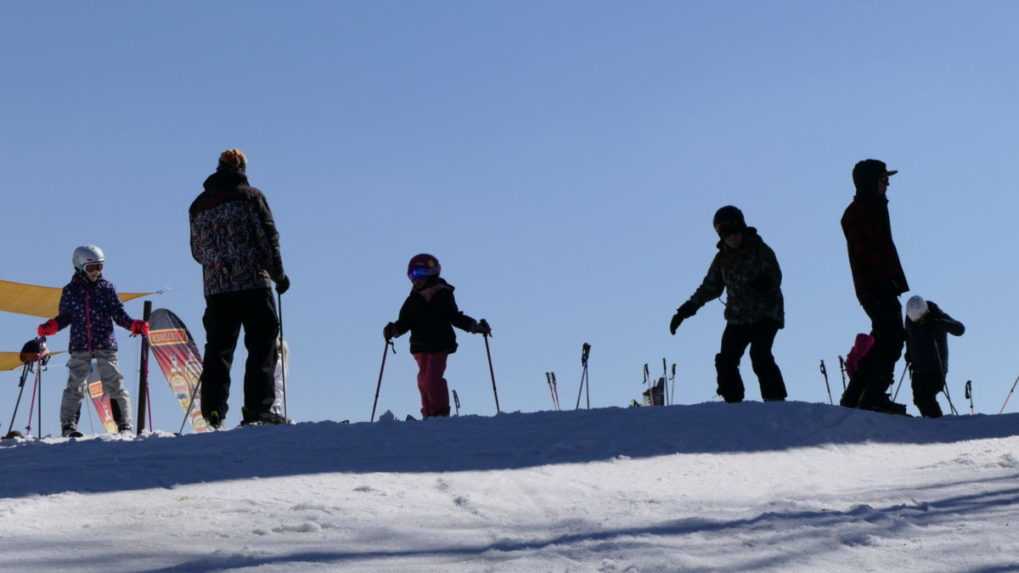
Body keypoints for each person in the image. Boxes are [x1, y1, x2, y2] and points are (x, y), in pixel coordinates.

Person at [189, 149, 290, 428]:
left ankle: (213, 410)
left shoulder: (198, 205)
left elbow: (197, 251)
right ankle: (259, 410)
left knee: (218, 349)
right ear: (242, 168)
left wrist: (217, 264)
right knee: (261, 343)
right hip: (252, 282)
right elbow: (268, 239)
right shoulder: (251, 197)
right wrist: (278, 275)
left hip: (216, 288)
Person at [669, 206, 787, 403]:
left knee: (759, 354)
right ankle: (732, 401)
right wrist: (686, 310)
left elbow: (775, 274)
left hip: (765, 314)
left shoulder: (759, 249)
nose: (732, 239)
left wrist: (766, 283)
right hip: (738, 317)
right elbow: (709, 287)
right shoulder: (722, 259)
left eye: (734, 234)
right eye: (726, 236)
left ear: (742, 229)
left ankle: (775, 400)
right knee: (726, 359)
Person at [37, 245, 149, 437]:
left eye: (100, 267)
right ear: (79, 267)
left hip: (105, 343)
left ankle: (124, 424)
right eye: (92, 268)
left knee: (115, 382)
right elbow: (65, 317)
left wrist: (133, 325)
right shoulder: (70, 291)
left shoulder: (106, 288)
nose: (96, 272)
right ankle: (69, 425)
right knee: (75, 386)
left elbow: (118, 313)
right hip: (80, 345)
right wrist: (52, 326)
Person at [839, 159, 909, 414]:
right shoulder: (866, 209)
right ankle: (873, 396)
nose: (887, 183)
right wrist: (887, 278)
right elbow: (874, 251)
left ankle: (857, 394)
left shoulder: (869, 207)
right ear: (870, 181)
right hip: (876, 284)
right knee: (891, 338)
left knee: (884, 336)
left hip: (876, 284)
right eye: (883, 179)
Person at [383, 254, 491, 418]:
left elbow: (455, 317)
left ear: (431, 272)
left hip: (439, 343)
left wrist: (475, 327)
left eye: (418, 273)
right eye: (411, 275)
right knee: (423, 382)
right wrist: (393, 330)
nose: (415, 279)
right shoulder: (412, 300)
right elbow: (404, 322)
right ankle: (428, 413)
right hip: (420, 347)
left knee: (432, 380)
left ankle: (440, 413)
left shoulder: (442, 295)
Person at [904, 296, 965, 418]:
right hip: (918, 369)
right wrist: (909, 353)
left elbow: (960, 329)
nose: (918, 322)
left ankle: (937, 424)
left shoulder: (935, 314)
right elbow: (908, 337)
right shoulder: (910, 319)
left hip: (936, 368)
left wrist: (939, 323)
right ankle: (934, 424)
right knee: (919, 399)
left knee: (926, 397)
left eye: (921, 320)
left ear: (925, 312)